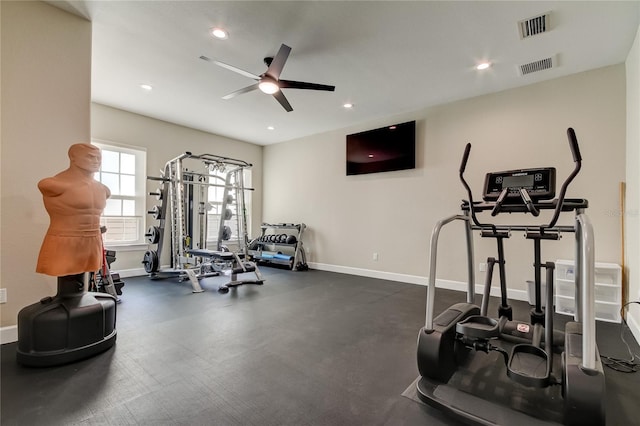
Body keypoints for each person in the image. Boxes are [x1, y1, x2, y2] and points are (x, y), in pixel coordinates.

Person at [36, 143, 111, 277]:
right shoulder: (53, 185)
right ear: (73, 157)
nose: (96, 161)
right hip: (65, 241)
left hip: (93, 241)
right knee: (67, 284)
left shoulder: (103, 189)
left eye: (99, 158)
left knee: (82, 284)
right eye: (90, 157)